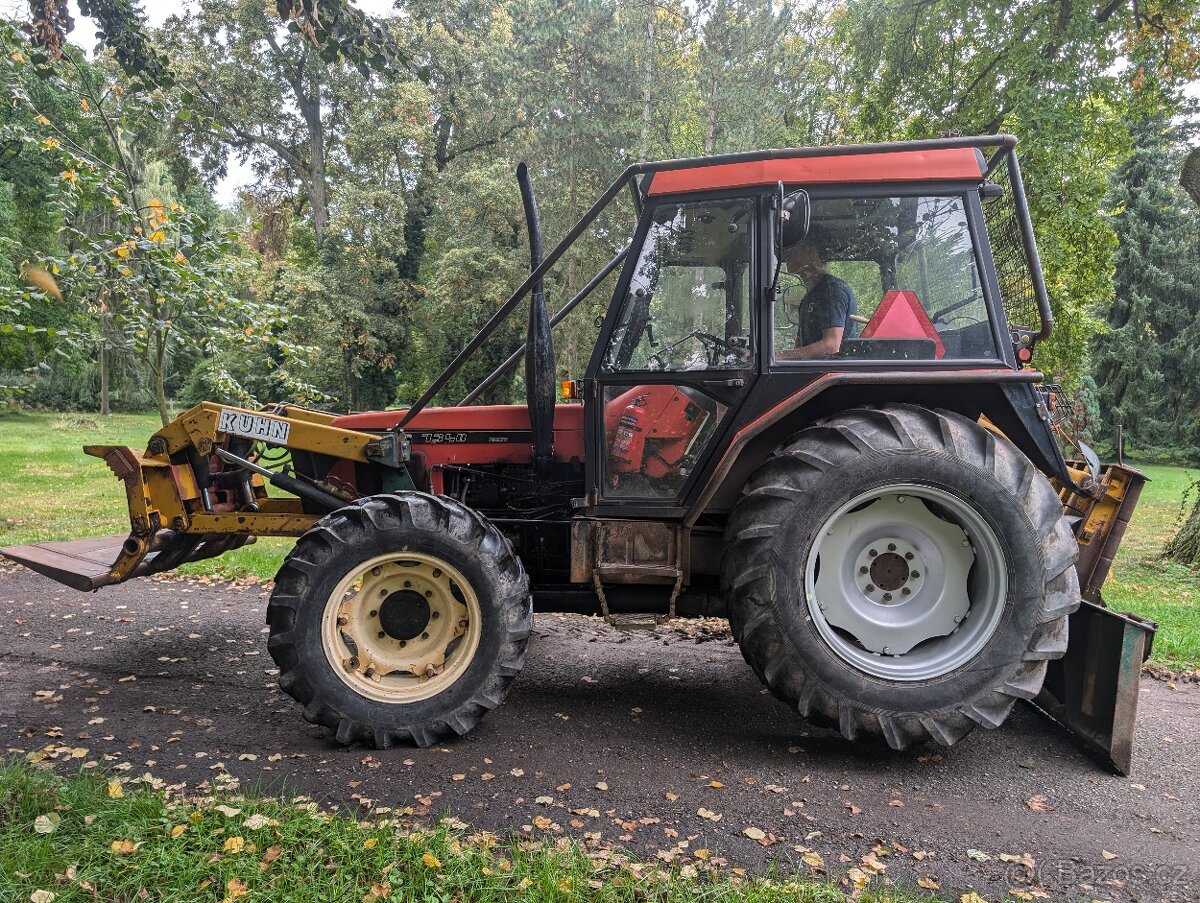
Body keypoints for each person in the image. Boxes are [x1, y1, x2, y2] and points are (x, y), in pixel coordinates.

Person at [775, 221, 857, 360]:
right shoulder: (809, 297)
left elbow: (831, 346)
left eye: (792, 247)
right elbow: (799, 349)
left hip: (829, 374)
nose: (785, 254)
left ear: (811, 249)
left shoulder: (831, 291)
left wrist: (775, 356)